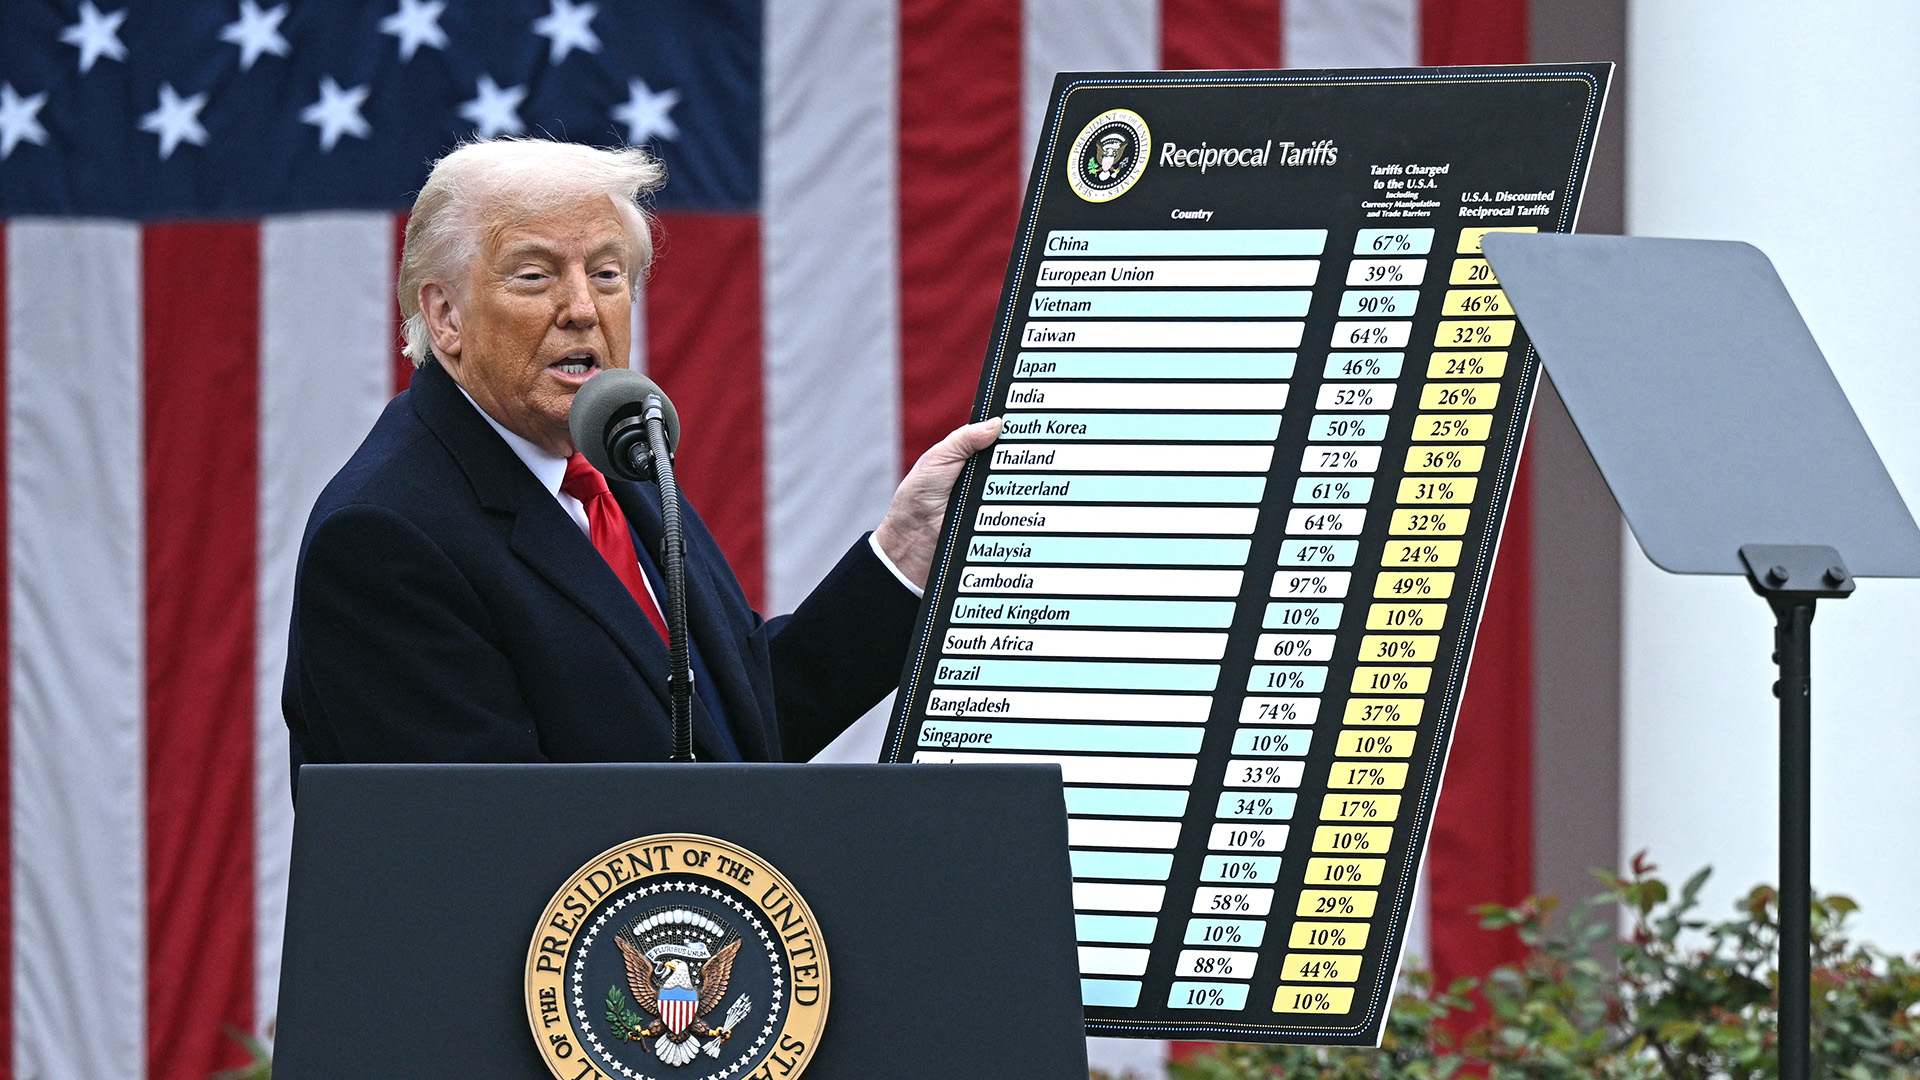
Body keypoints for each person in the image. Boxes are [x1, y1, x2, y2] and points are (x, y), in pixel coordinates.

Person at [283, 138, 997, 777]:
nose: (581, 308)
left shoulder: (615, 460)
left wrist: (902, 556)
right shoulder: (385, 537)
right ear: (444, 316)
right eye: (534, 276)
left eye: (606, 273)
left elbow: (731, 728)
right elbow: (485, 852)